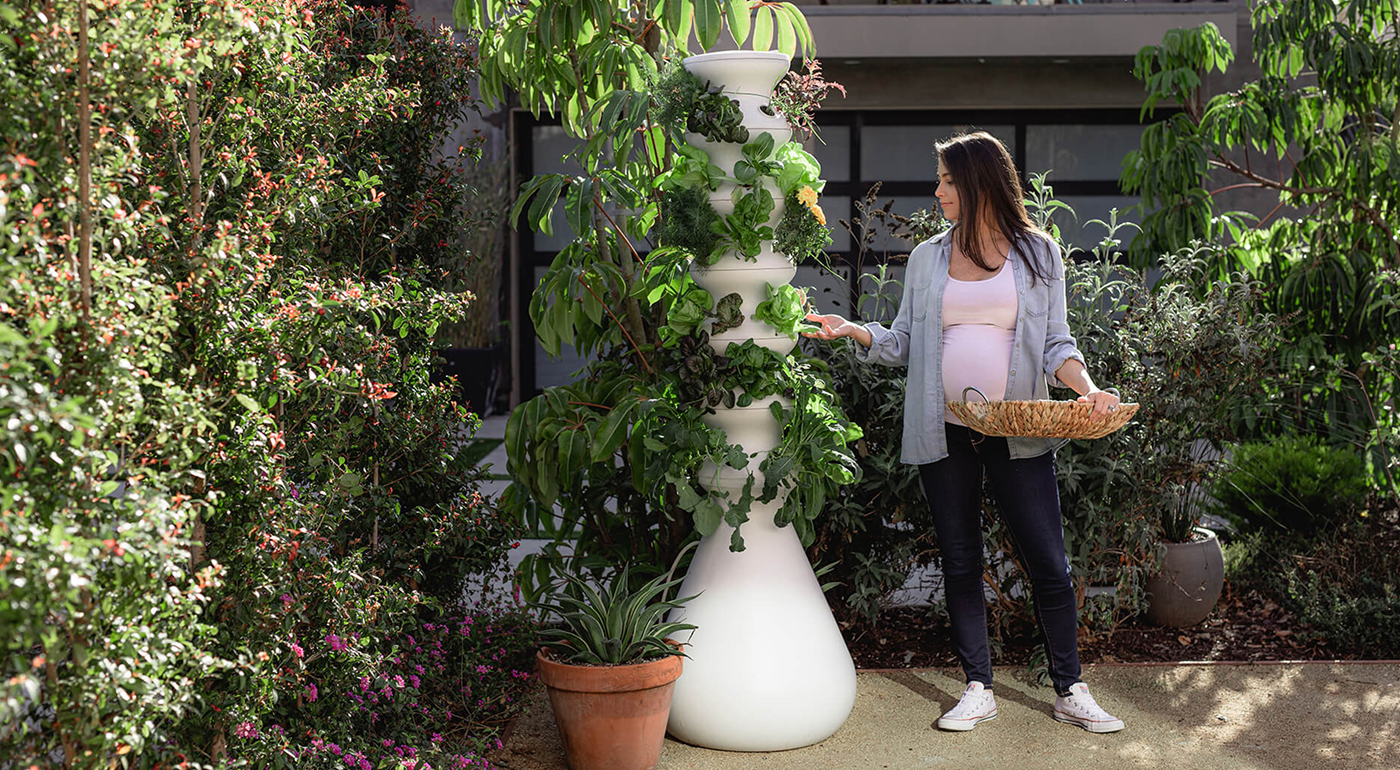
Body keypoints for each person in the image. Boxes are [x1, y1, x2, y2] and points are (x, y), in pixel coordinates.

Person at [802, 131, 1125, 734]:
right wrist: (855, 331)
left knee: (1049, 562)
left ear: (979, 183)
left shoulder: (1039, 253)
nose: (938, 191)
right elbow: (905, 341)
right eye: (940, 180)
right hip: (943, 429)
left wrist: (1087, 390)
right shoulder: (929, 257)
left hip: (1017, 431)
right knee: (960, 560)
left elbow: (1057, 343)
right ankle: (979, 686)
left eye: (948, 180)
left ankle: (1070, 689)